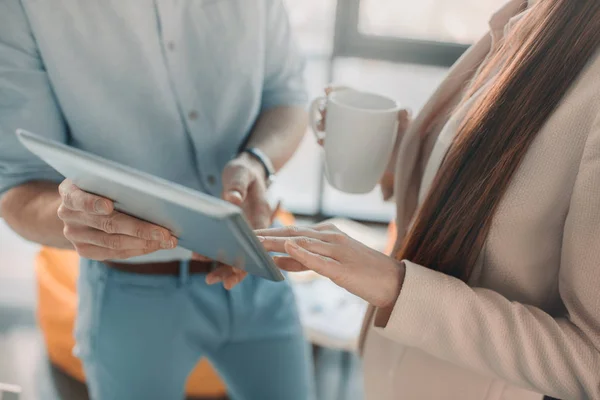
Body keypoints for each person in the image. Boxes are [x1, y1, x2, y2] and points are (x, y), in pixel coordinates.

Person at [257, 0, 600, 399]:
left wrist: (396, 286)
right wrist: (402, 155)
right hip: (387, 376)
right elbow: (495, 197)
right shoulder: (525, 16)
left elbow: (591, 362)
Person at [0, 1, 313, 399]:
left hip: (256, 268)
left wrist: (257, 161)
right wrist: (72, 220)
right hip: (129, 293)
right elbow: (18, 186)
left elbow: (288, 97)